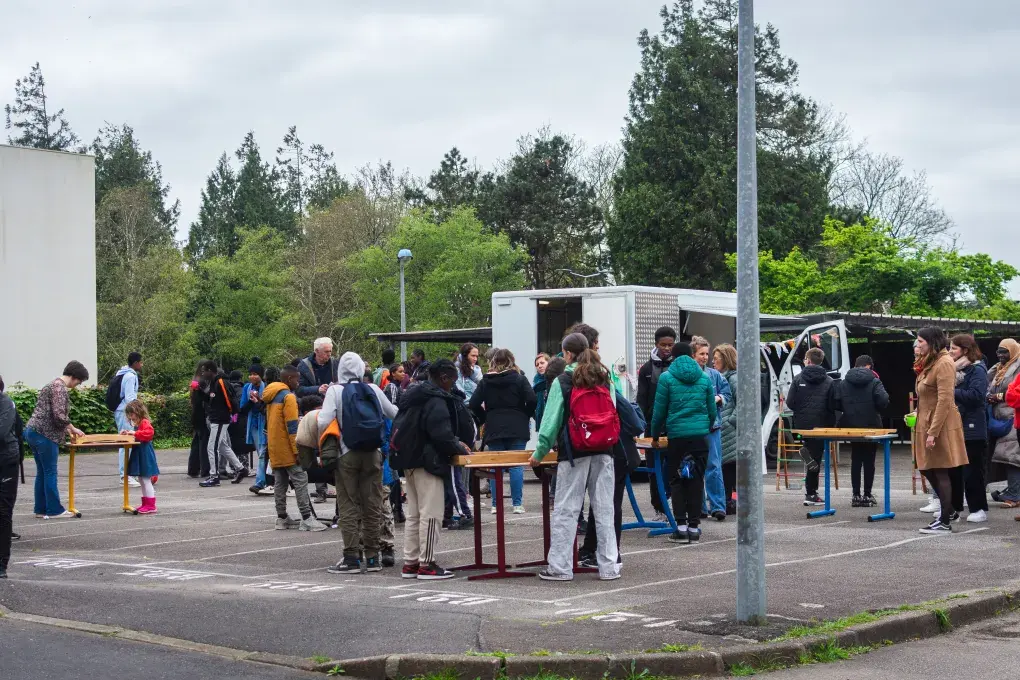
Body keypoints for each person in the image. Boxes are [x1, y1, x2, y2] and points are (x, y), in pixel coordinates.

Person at [530, 334, 621, 581]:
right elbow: (613, 412)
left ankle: (560, 568)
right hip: (604, 450)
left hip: (574, 452)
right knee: (604, 510)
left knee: (566, 510)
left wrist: (539, 453)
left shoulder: (564, 380)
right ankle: (610, 566)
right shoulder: (605, 377)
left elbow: (551, 422)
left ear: (567, 354)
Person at [320, 353, 398, 574]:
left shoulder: (335, 391)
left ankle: (352, 558)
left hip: (347, 453)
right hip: (372, 453)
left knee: (348, 505)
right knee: (372, 505)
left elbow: (324, 421)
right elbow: (393, 412)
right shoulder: (373, 389)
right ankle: (373, 558)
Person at [390, 359, 469, 580]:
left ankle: (411, 562)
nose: (452, 386)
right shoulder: (435, 400)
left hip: (409, 461)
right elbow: (441, 434)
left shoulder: (413, 395)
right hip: (428, 462)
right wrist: (458, 447)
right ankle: (427, 564)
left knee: (414, 514)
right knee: (431, 514)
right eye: (452, 380)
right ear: (443, 378)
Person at [650, 342, 718, 543]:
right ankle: (694, 528)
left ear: (674, 357)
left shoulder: (667, 378)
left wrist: (655, 435)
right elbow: (712, 410)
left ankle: (680, 528)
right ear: (690, 355)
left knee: (677, 480)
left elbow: (659, 411)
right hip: (700, 437)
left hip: (677, 437)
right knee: (697, 480)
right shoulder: (704, 378)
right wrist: (705, 427)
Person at [470, 348, 538, 516]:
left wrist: (485, 417)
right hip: (517, 426)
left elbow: (473, 403)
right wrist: (525, 414)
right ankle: (517, 504)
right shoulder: (520, 379)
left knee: (496, 466)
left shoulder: (485, 381)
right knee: (516, 466)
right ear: (511, 361)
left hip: (494, 425)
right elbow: (532, 400)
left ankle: (495, 504)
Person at [914, 327, 968, 534]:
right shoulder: (932, 360)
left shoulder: (944, 363)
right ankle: (949, 509)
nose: (917, 345)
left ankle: (945, 520)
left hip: (939, 424)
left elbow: (945, 399)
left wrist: (933, 432)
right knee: (926, 466)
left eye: (920, 341)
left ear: (932, 341)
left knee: (939, 468)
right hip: (926, 422)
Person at [263, 366, 325, 533]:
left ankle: (281, 518)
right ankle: (306, 518)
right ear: (289, 379)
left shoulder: (271, 396)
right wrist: (297, 451)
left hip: (274, 447)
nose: (298, 382)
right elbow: (292, 427)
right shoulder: (288, 397)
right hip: (287, 448)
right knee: (300, 480)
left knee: (280, 483)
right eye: (297, 379)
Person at [25, 361, 89, 519]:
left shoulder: (51, 384)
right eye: (79, 381)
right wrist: (73, 429)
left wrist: (68, 428)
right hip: (45, 435)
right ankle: (54, 510)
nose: (78, 385)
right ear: (74, 377)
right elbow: (59, 415)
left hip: (33, 431)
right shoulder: (60, 388)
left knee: (42, 472)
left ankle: (40, 509)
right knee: (50, 472)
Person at [830, 355, 890, 507]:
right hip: (872, 426)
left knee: (856, 459)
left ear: (855, 365)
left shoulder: (844, 383)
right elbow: (883, 401)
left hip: (851, 426)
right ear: (869, 366)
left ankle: (855, 495)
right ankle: (867, 494)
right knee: (869, 461)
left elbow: (835, 403)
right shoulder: (875, 381)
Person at [786, 347, 835, 507]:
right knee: (815, 460)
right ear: (821, 361)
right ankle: (811, 493)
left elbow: (790, 402)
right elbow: (832, 403)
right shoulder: (828, 381)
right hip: (821, 424)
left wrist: (800, 412)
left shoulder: (798, 378)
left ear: (807, 360)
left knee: (811, 456)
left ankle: (804, 450)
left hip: (802, 424)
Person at [689, 336, 731, 521]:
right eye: (701, 354)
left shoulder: (715, 375)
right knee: (695, 467)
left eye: (707, 354)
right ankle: (699, 507)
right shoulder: (689, 375)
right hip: (694, 428)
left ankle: (718, 506)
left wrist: (719, 398)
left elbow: (727, 393)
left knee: (714, 467)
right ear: (693, 355)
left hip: (712, 427)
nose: (705, 357)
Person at [948, 335, 990, 522]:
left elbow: (977, 395)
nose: (950, 352)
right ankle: (954, 509)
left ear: (965, 350)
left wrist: (951, 391)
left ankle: (978, 508)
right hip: (955, 426)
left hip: (973, 427)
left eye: (954, 348)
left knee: (972, 471)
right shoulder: (952, 369)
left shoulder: (977, 369)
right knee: (954, 470)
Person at [638, 327, 676, 521]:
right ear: (656, 344)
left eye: (670, 345)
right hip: (652, 427)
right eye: (663, 345)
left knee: (673, 467)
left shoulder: (677, 366)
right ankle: (659, 508)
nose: (667, 349)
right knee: (654, 470)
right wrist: (643, 426)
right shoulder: (646, 370)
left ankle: (674, 504)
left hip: (674, 426)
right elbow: (641, 400)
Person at [197, 360, 249, 488]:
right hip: (217, 418)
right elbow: (210, 399)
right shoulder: (214, 383)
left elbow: (229, 399)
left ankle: (214, 476)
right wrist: (199, 390)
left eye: (204, 371)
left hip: (220, 419)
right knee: (222, 446)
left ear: (210, 371)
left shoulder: (221, 382)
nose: (203, 373)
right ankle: (241, 468)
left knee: (212, 447)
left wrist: (231, 414)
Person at [988, 339, 1020, 507]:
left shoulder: (1018, 366)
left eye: (1004, 351)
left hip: (1013, 416)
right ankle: (1013, 491)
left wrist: (1000, 396)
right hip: (999, 416)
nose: (1000, 354)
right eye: (998, 351)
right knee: (1004, 456)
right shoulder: (1000, 367)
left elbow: (1014, 391)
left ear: (1013, 351)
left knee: (1011, 456)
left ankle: (1014, 495)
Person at [713, 344, 739, 515]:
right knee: (726, 467)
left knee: (729, 467)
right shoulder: (722, 377)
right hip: (725, 428)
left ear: (725, 359)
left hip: (729, 428)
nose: (713, 362)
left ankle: (729, 502)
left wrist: (731, 421)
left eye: (716, 359)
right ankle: (728, 501)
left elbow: (742, 403)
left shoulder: (734, 378)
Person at [120, 400, 159, 514]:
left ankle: (151, 505)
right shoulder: (139, 424)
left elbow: (149, 433)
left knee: (146, 479)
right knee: (142, 479)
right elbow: (138, 434)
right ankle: (146, 503)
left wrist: (134, 433)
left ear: (138, 412)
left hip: (145, 454)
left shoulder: (144, 422)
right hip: (140, 453)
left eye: (132, 414)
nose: (130, 417)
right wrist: (129, 433)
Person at [113, 352, 143, 488]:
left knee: (126, 442)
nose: (141, 364)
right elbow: (130, 397)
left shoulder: (121, 373)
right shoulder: (130, 376)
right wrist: (135, 413)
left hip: (121, 410)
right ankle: (125, 475)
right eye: (140, 362)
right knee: (126, 442)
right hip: (126, 412)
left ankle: (128, 474)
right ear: (136, 363)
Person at [1, 375, 21, 577]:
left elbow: (2, 432)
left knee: (3, 512)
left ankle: (2, 564)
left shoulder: (6, 403)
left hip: (6, 461)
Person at [242, 359, 270, 495]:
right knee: (261, 454)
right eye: (251, 374)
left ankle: (260, 482)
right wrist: (251, 401)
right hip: (253, 425)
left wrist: (259, 400)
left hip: (264, 424)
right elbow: (242, 409)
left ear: (261, 375)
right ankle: (266, 480)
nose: (253, 377)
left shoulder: (267, 388)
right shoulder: (247, 388)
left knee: (262, 454)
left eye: (256, 374)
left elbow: (267, 409)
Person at [188, 364, 210, 478]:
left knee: (196, 442)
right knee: (204, 443)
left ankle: (193, 469)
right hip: (202, 415)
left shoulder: (194, 382)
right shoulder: (204, 382)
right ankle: (205, 469)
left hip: (195, 415)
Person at [533, 353, 552, 427]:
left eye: (542, 363)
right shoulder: (536, 380)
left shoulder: (554, 378)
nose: (540, 366)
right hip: (542, 420)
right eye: (537, 365)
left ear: (549, 363)